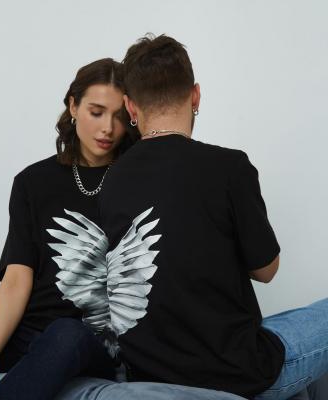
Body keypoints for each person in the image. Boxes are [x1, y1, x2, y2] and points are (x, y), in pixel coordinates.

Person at [96, 34, 328, 400]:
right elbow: (267, 270)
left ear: (130, 106)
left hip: (149, 374)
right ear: (195, 96)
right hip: (234, 373)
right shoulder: (229, 167)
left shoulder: (112, 182)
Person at [0, 58, 139, 400]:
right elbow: (16, 278)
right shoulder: (33, 182)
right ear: (73, 106)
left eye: (118, 116)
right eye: (96, 112)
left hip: (88, 339)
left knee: (65, 334)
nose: (108, 128)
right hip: (23, 329)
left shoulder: (138, 181)